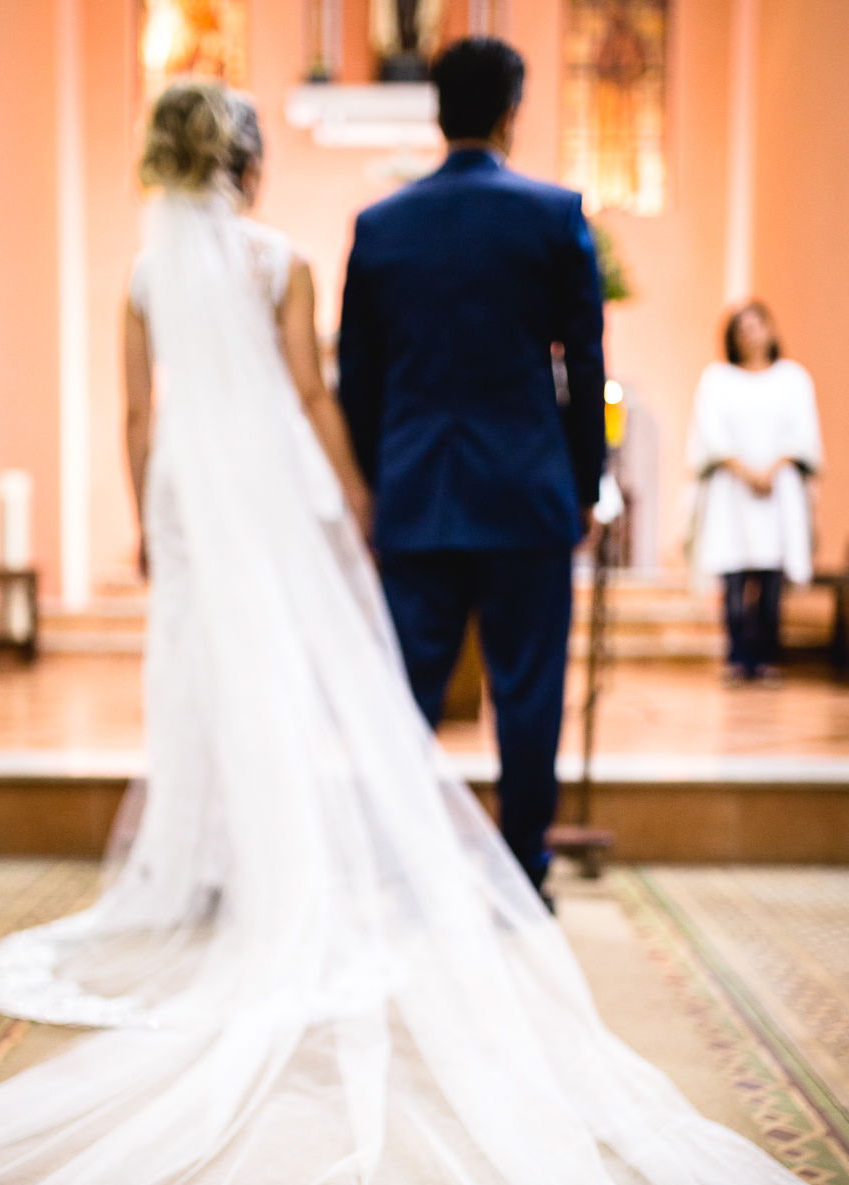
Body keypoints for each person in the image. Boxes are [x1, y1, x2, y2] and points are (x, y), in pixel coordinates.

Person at [0, 81, 849, 1185]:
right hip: (367, 484)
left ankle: (214, 866)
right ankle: (481, 874)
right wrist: (385, 494)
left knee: (213, 687)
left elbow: (185, 404)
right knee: (441, 705)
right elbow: (362, 386)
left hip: (224, 483)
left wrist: (168, 512)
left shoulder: (215, 255)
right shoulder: (360, 245)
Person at [338, 36, 606, 899]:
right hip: (526, 493)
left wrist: (379, 485)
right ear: (509, 111)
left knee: (405, 696)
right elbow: (586, 368)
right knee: (527, 693)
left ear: (437, 110)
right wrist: (584, 485)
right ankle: (523, 866)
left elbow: (359, 379)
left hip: (418, 494)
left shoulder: (381, 227)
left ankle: (398, 869)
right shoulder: (555, 213)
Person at [687, 300, 822, 682]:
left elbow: (803, 433)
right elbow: (709, 433)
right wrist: (744, 469)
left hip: (778, 491)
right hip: (732, 488)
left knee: (770, 579)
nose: (750, 333)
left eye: (756, 324)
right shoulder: (717, 379)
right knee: (733, 574)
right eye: (741, 327)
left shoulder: (793, 378)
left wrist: (773, 468)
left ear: (772, 329)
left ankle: (764, 656)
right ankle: (736, 655)